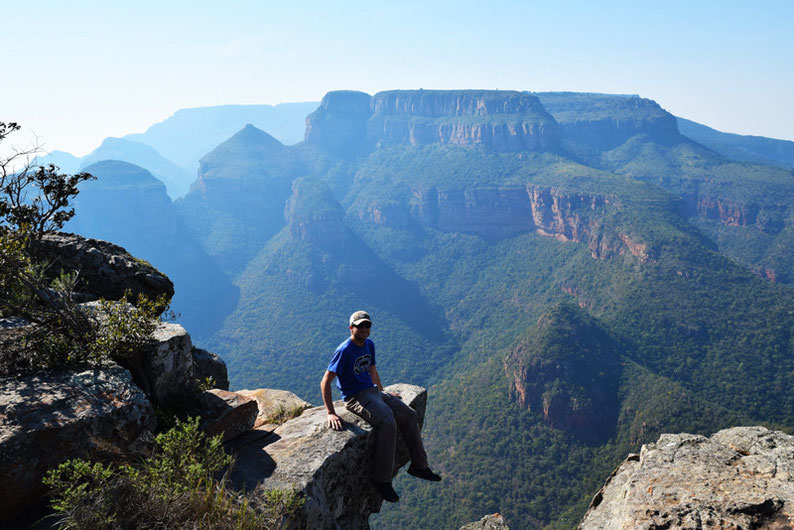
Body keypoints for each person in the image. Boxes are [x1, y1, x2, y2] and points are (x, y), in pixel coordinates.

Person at [320, 310, 441, 502]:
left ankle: (420, 466)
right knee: (388, 422)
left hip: (373, 392)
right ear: (351, 328)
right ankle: (382, 480)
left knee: (409, 414)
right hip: (355, 397)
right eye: (360, 326)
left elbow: (372, 370)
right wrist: (330, 413)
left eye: (367, 325)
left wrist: (382, 392)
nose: (365, 329)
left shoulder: (369, 344)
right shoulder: (344, 350)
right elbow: (325, 381)